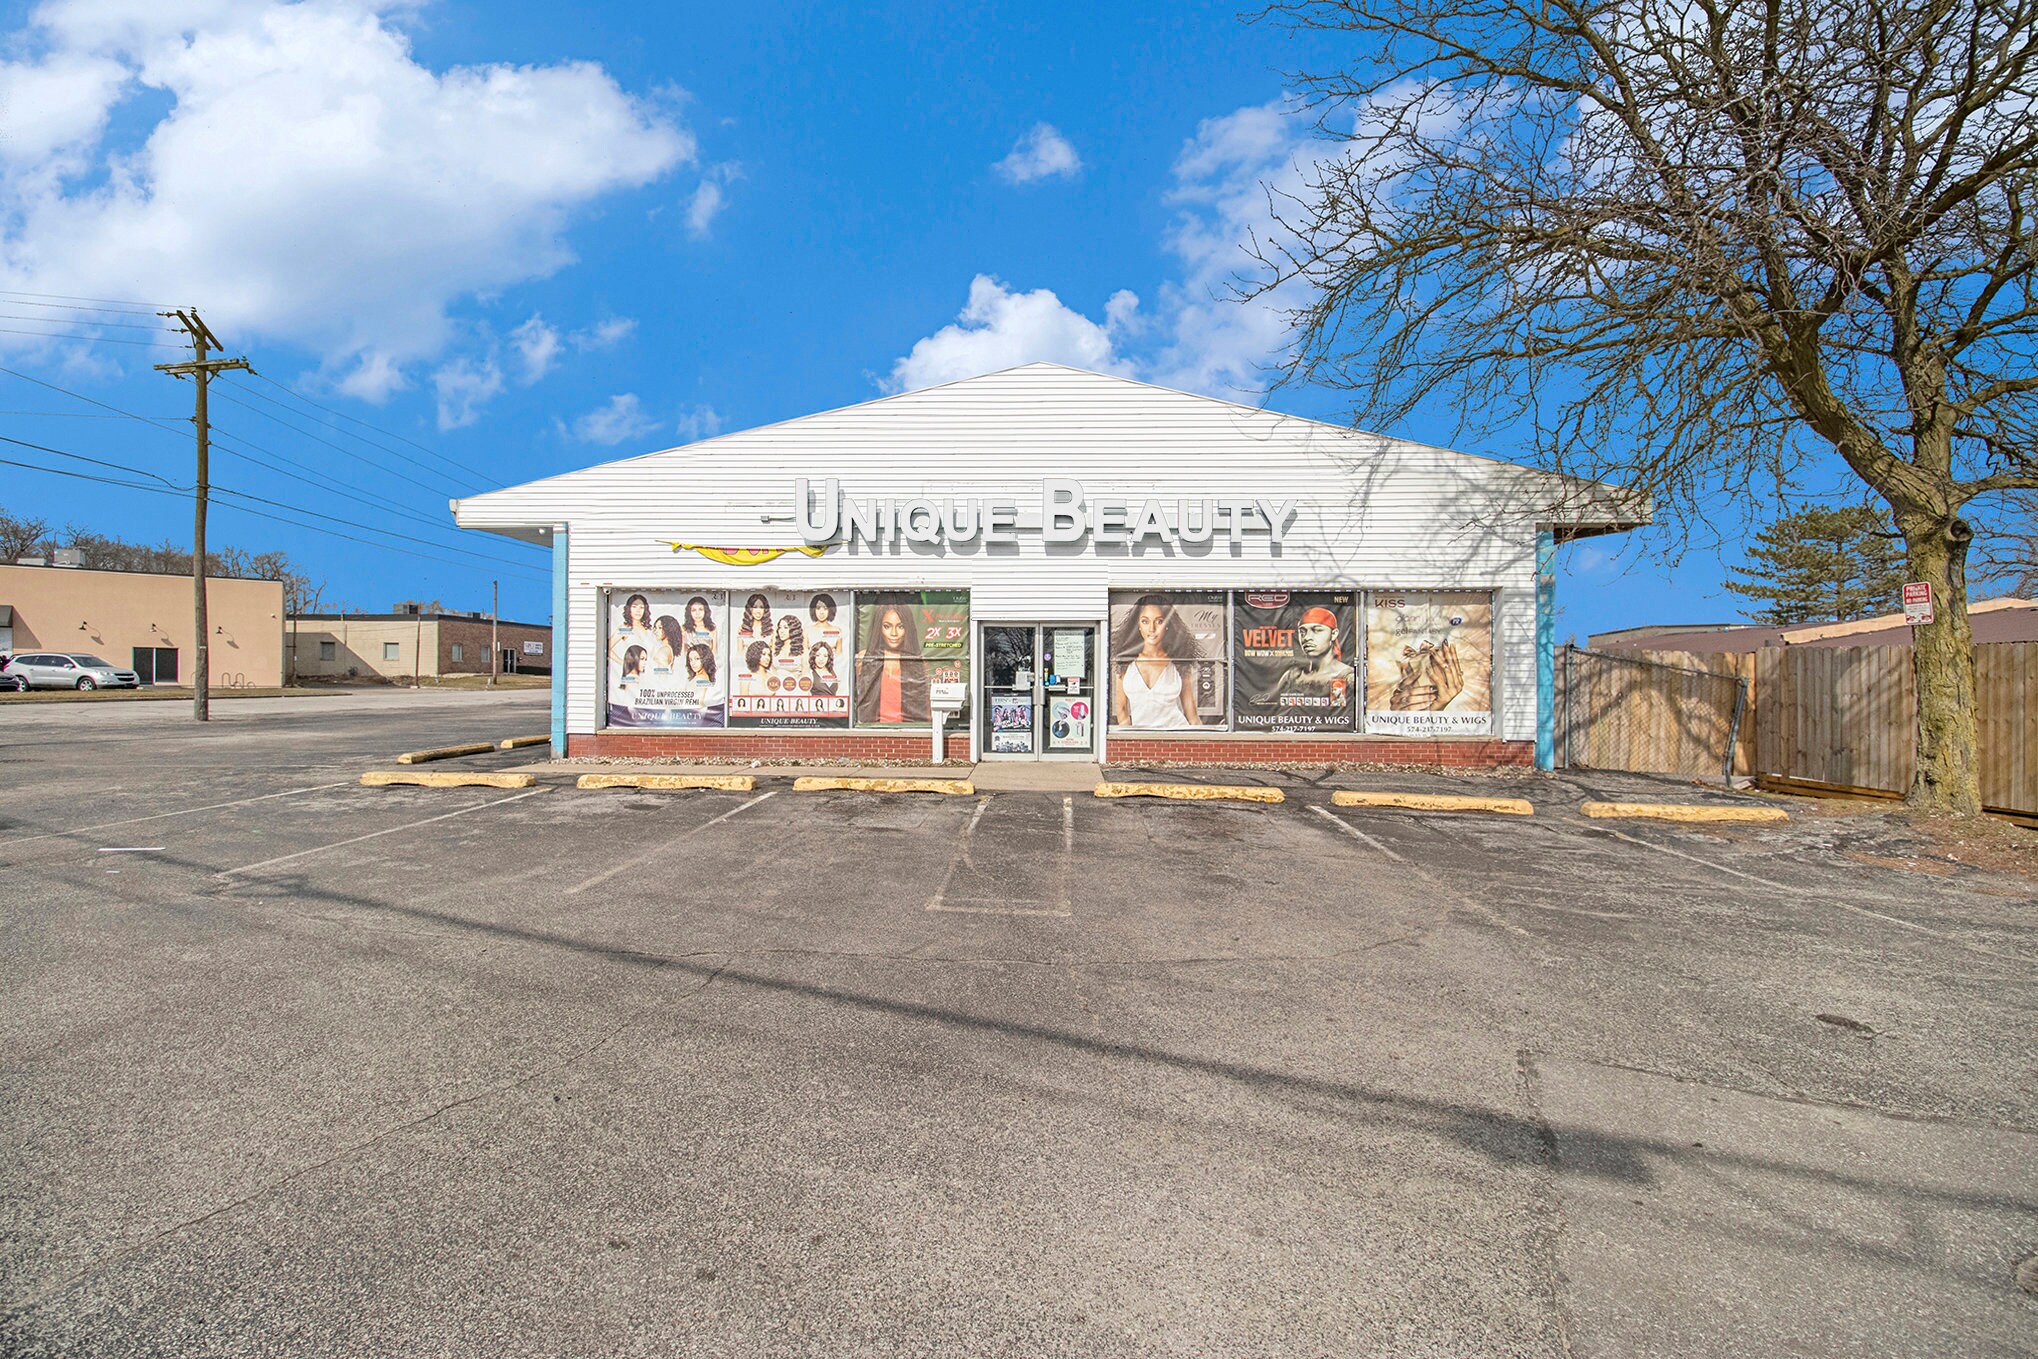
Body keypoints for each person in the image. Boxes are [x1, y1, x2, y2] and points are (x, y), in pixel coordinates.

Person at [1111, 595, 1200, 728]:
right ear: (1138, 625)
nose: (1152, 629)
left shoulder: (1179, 663)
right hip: (1141, 741)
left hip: (1176, 737)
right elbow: (1122, 711)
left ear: (1167, 625)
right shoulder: (1125, 662)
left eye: (1159, 621)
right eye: (1145, 621)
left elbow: (1192, 715)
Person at [1256, 605, 1354, 704]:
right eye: (1302, 632)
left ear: (1333, 634)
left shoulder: (1347, 677)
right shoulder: (1292, 677)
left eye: (1316, 630)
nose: (1307, 637)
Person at [854, 599, 928, 723]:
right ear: (879, 627)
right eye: (887, 626)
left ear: (908, 629)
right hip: (872, 730)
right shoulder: (865, 658)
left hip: (908, 730)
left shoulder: (917, 661)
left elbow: (925, 707)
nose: (893, 633)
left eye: (900, 626)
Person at [609, 593, 654, 664]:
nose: (638, 610)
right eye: (634, 606)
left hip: (649, 671)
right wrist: (623, 663)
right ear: (629, 608)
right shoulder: (625, 629)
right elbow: (607, 647)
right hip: (633, 672)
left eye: (641, 607)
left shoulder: (648, 629)